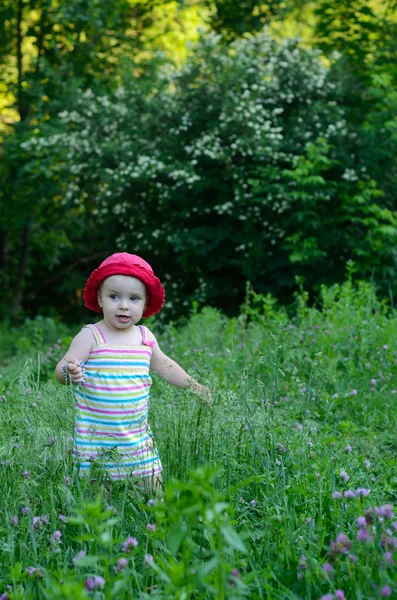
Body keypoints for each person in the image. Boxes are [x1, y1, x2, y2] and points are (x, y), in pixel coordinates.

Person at [55, 252, 210, 489]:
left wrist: (194, 386)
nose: (124, 305)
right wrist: (69, 371)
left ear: (146, 302)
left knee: (153, 488)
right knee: (98, 496)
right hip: (96, 439)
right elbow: (61, 369)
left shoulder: (144, 338)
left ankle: (158, 520)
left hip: (137, 439)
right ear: (100, 299)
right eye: (114, 296)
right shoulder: (91, 336)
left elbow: (165, 366)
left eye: (134, 298)